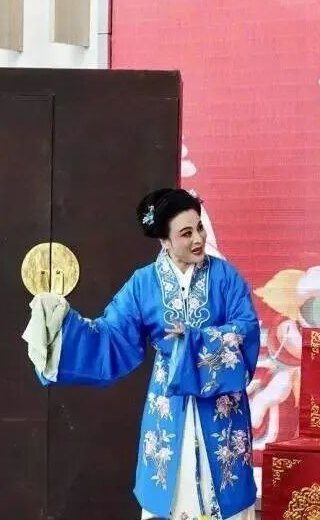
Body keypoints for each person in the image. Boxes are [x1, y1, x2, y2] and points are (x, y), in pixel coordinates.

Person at [22, 189, 259, 519]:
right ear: (164, 241)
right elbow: (110, 338)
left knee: (226, 497)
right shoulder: (143, 284)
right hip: (168, 411)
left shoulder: (226, 277)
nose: (198, 239)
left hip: (222, 414)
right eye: (186, 233)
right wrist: (60, 322)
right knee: (171, 494)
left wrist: (194, 342)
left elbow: (246, 329)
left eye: (199, 228)